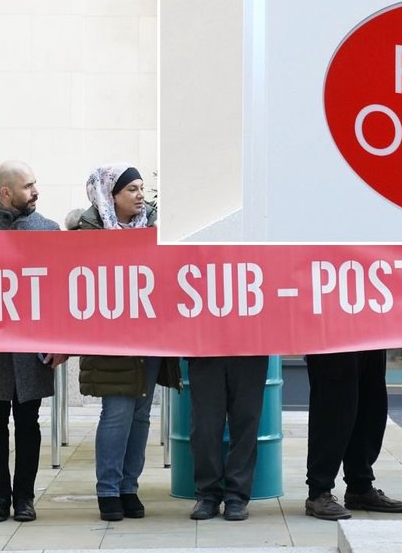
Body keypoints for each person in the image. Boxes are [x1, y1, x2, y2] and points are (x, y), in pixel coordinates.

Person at [0, 160, 66, 523]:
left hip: (31, 346)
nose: (35, 191)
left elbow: (59, 292)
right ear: (6, 192)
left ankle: (25, 498)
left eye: (35, 184)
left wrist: (61, 341)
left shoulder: (49, 230)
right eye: (28, 186)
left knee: (29, 422)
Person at [70, 163, 179, 521]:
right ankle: (108, 491)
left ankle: (129, 487)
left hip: (149, 339)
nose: (139, 195)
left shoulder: (154, 229)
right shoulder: (87, 232)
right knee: (117, 414)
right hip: (111, 341)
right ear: (110, 195)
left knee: (141, 416)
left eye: (141, 188)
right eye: (131, 189)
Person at [302, 350, 402, 520]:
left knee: (370, 408)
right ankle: (318, 491)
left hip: (369, 332)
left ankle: (360, 487)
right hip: (332, 335)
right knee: (332, 411)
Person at [187, 355, 267, 521]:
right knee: (204, 426)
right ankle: (207, 494)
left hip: (250, 348)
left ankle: (237, 497)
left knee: (246, 423)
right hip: (205, 349)